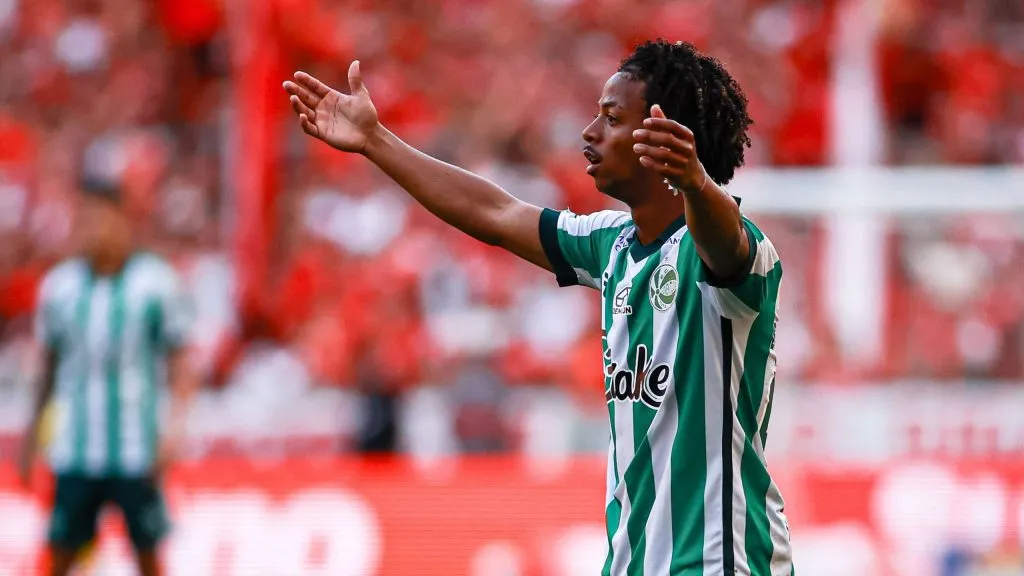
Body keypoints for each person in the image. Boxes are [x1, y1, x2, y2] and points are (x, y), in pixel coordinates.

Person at [284, 39, 792, 575]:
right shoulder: (611, 244)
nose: (589, 133)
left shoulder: (737, 252)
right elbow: (499, 213)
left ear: (664, 137)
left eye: (611, 118)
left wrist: (695, 183)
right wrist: (375, 141)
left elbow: (724, 243)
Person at [18, 162, 196, 576]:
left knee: (148, 554)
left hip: (136, 448)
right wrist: (30, 437)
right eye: (83, 217)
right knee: (60, 553)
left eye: (99, 216)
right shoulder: (59, 287)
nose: (91, 228)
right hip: (76, 450)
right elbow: (47, 367)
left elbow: (182, 362)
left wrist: (173, 430)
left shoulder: (154, 283)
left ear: (120, 219)